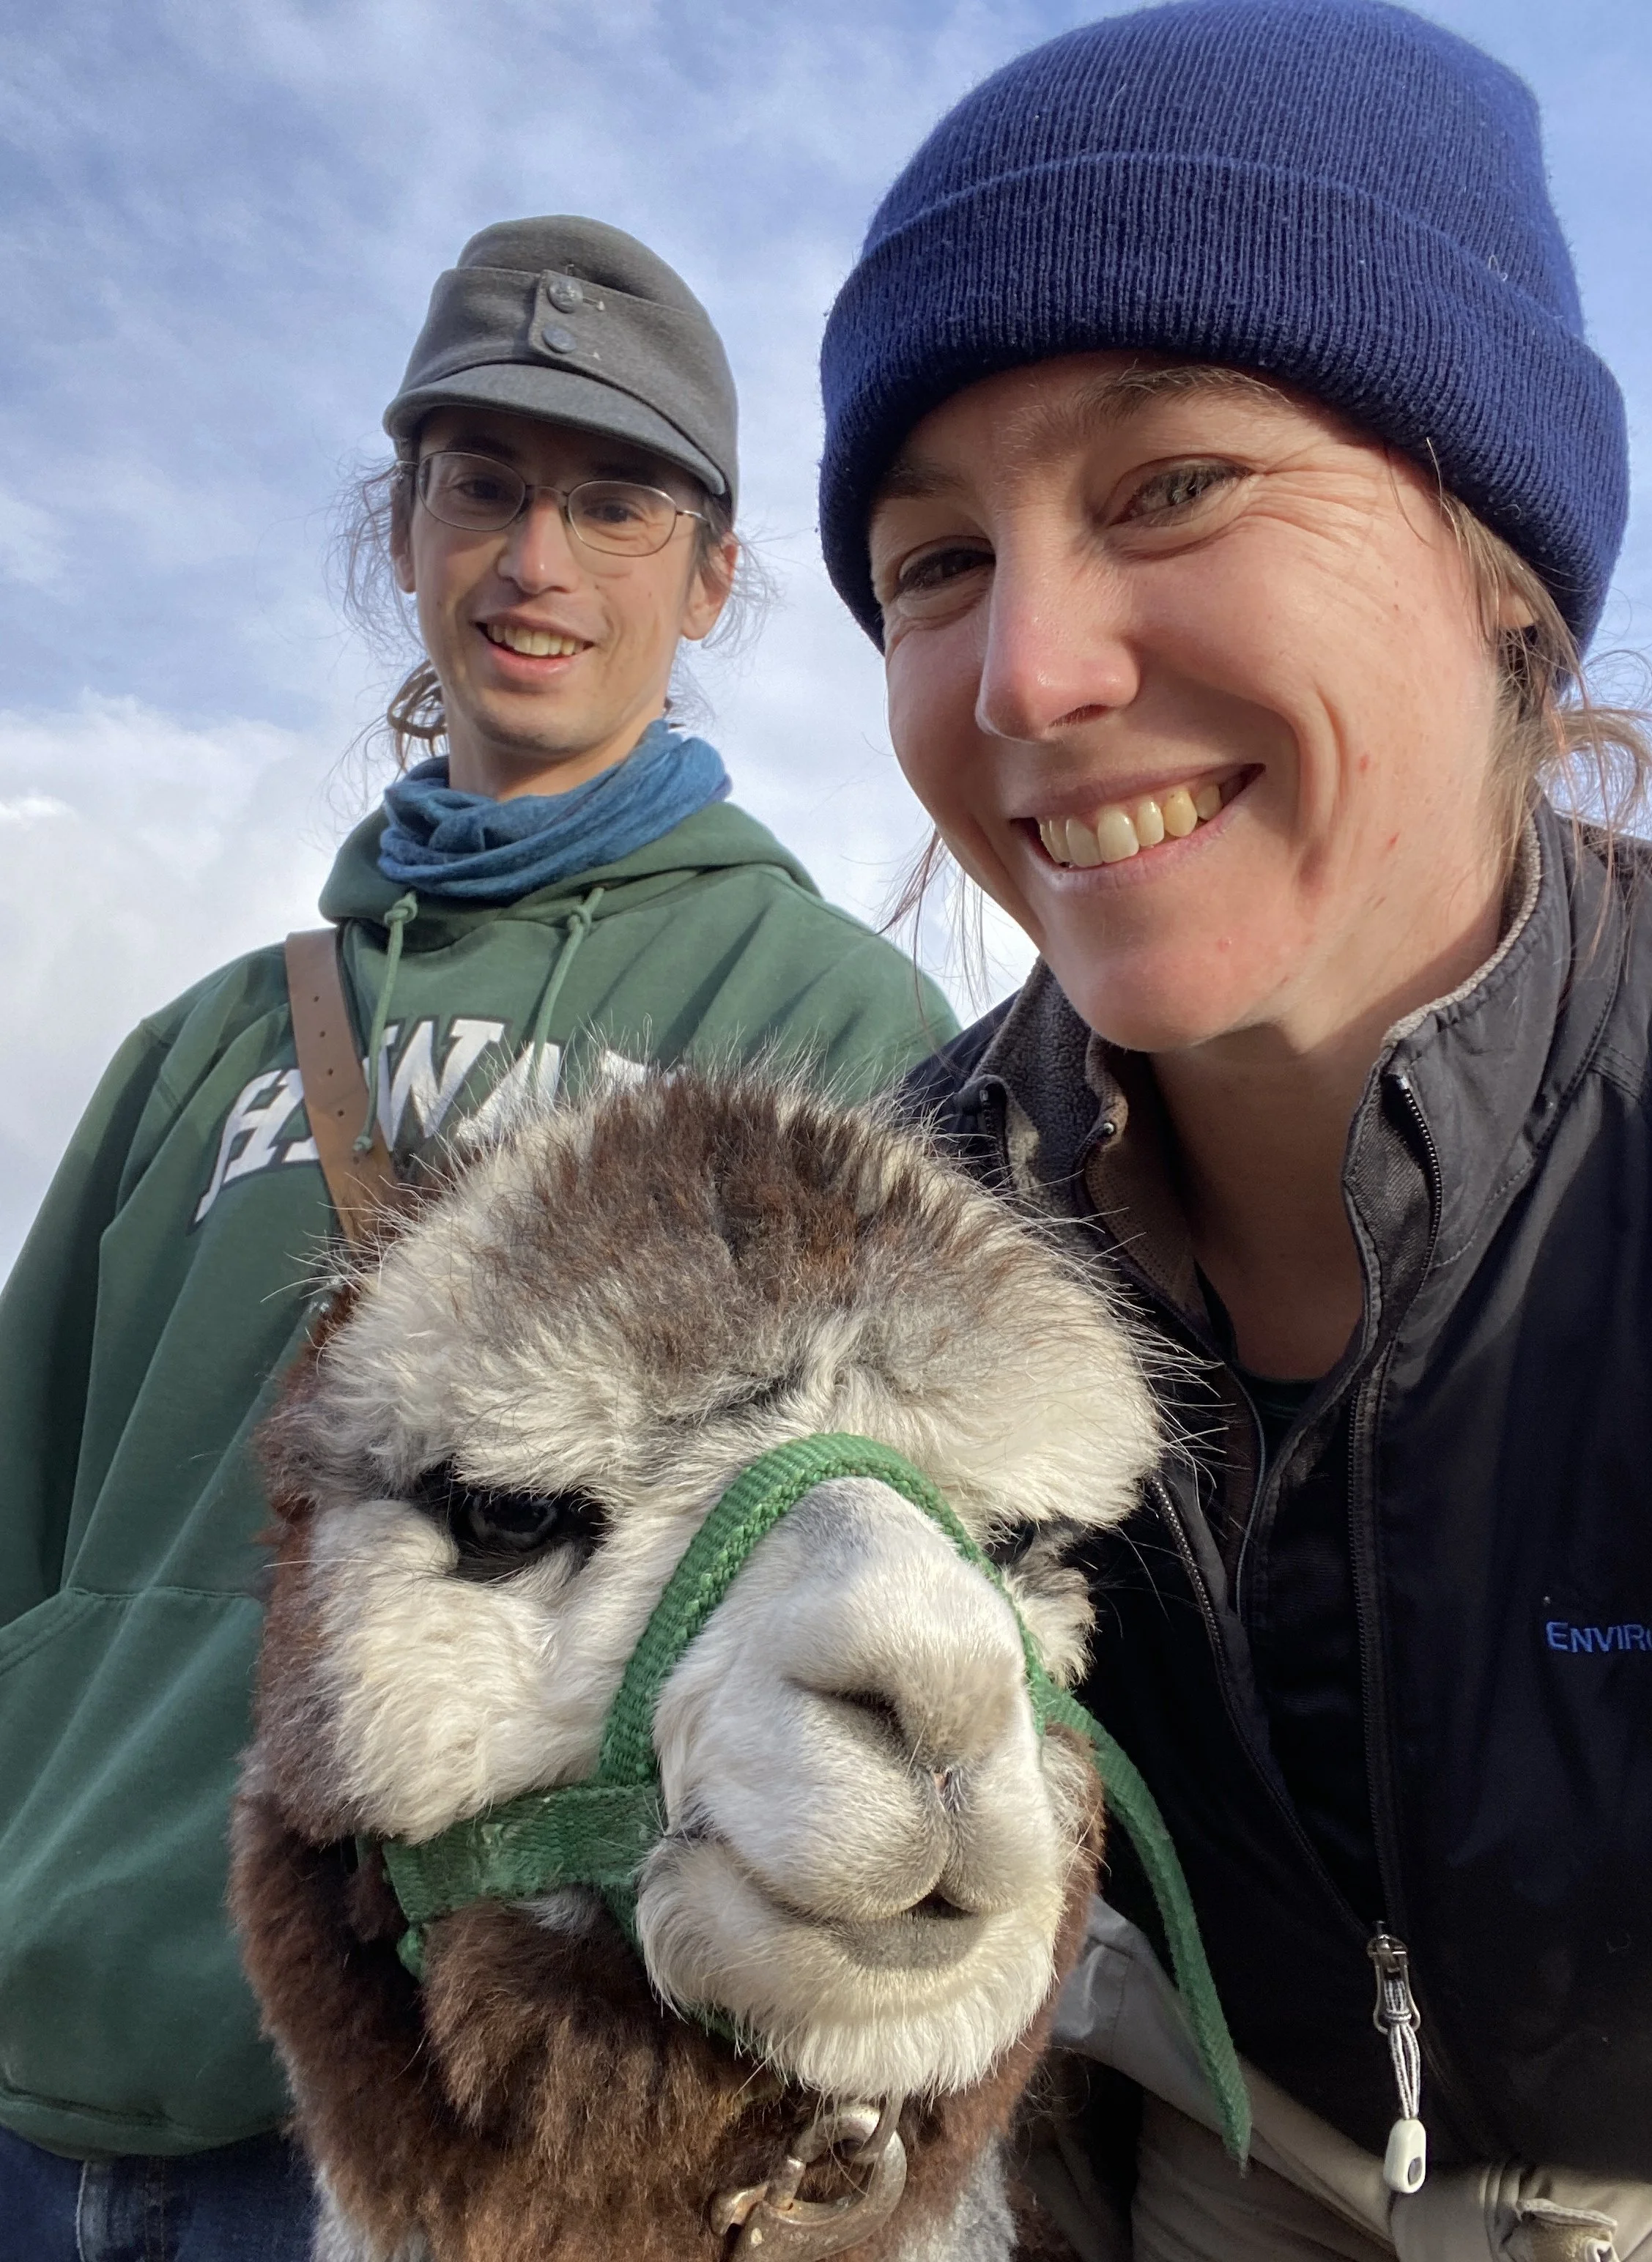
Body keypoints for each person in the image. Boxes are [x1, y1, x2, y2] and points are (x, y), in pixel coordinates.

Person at [818, 4, 1652, 2256]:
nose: (1026, 674)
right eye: (931, 562)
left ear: (1504, 556)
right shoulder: (896, 1242)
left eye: (1171, 485)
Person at [0, 215, 952, 2256]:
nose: (537, 564)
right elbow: (20, 1511)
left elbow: (876, 1617)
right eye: (483, 487)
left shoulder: (822, 1031)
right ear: (403, 526)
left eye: (614, 503)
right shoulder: (201, 1044)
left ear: (707, 579)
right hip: (33, 2044)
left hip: (439, 2124)